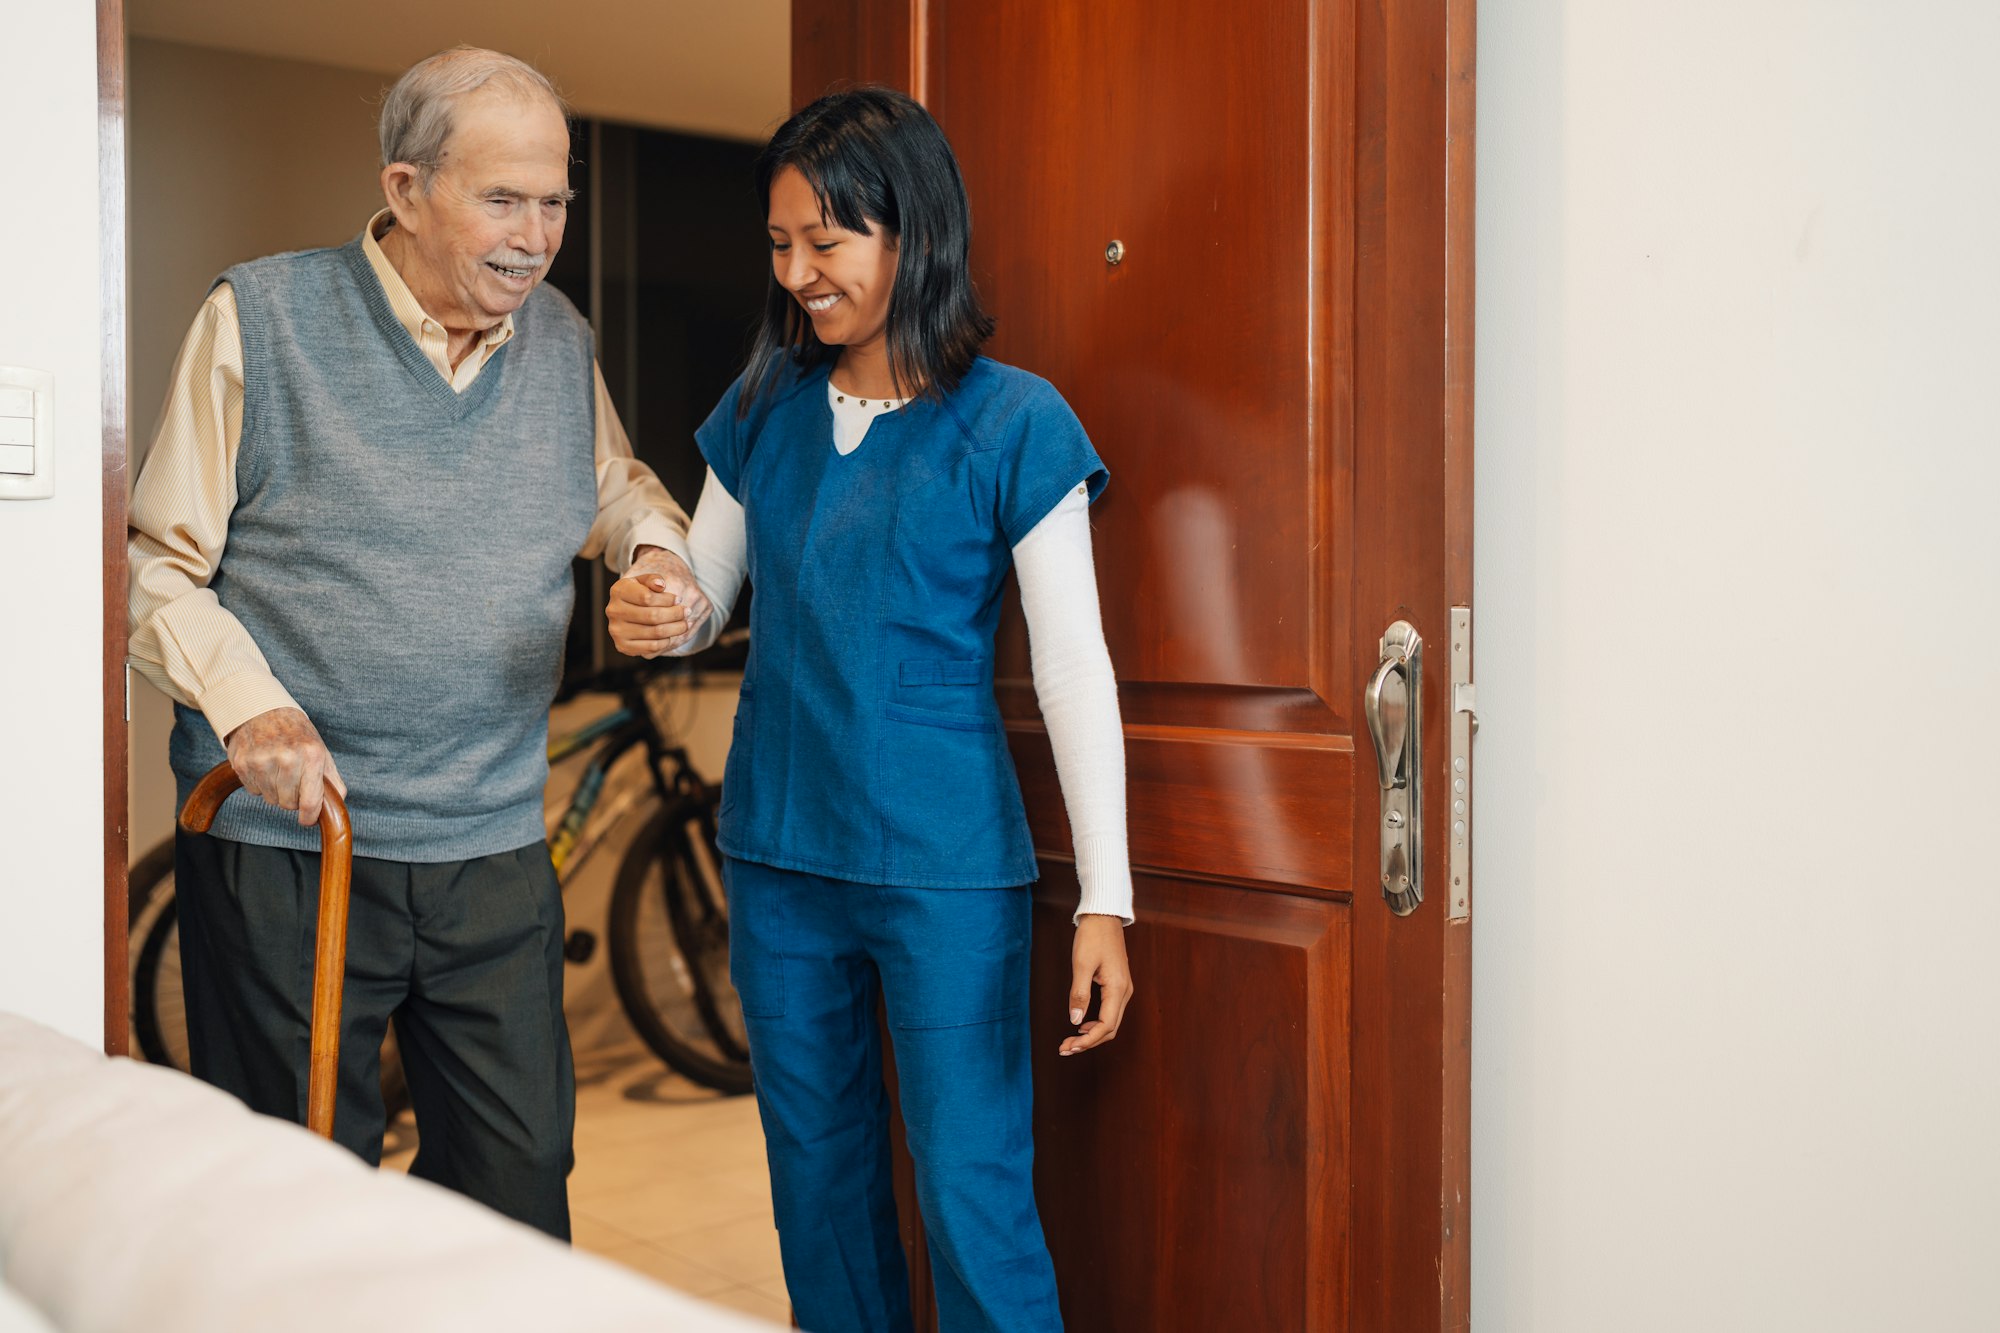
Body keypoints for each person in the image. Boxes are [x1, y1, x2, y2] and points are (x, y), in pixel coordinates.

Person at [126, 47, 709, 1241]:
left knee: (516, 1191)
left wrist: (660, 559)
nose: (536, 233)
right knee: (295, 1202)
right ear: (404, 189)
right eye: (503, 197)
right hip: (295, 838)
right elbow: (152, 565)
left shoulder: (557, 339)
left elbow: (616, 487)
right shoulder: (264, 318)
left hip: (490, 841)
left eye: (555, 200)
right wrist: (253, 710)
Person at [607, 87, 1134, 1332]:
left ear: (913, 230)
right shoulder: (760, 412)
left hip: (943, 870)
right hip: (777, 854)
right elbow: (704, 591)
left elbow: (1070, 668)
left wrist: (1107, 897)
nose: (797, 272)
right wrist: (655, 596)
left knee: (968, 1188)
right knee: (819, 1191)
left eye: (825, 242)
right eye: (779, 244)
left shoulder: (1015, 421)